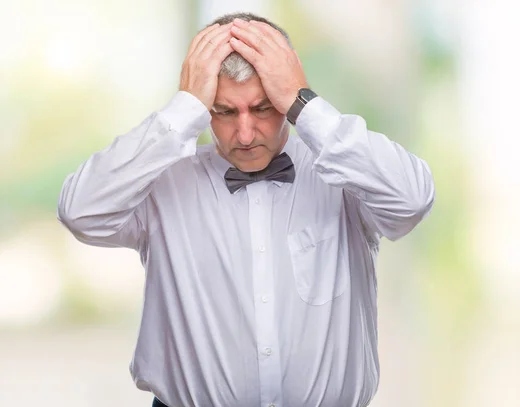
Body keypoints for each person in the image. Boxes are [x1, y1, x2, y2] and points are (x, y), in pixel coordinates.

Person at [57, 11, 435, 407]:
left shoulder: (344, 174)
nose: (245, 133)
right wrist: (182, 109)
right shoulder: (162, 182)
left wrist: (303, 103)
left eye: (263, 108)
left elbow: (412, 200)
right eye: (223, 111)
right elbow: (80, 211)